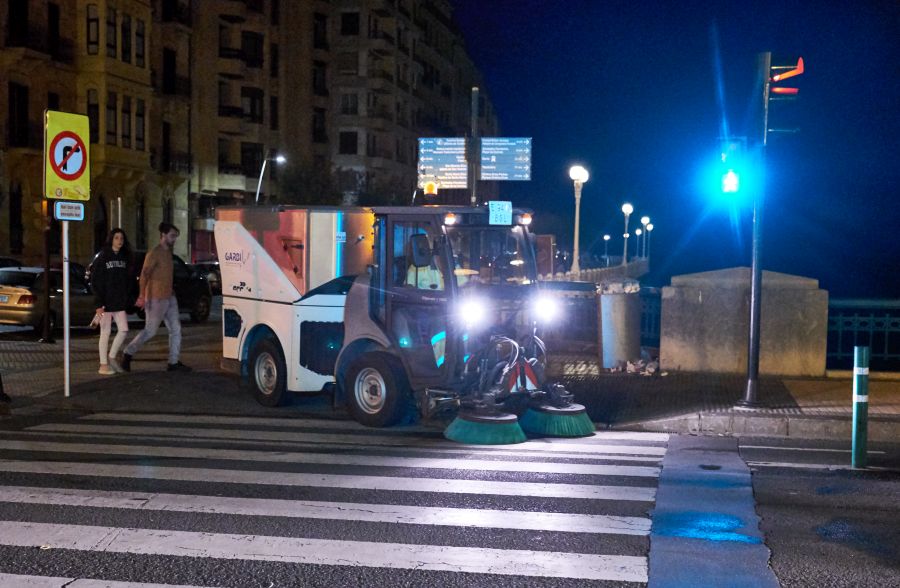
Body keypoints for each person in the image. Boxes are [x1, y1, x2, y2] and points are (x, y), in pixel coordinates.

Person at [121, 222, 191, 373]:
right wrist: (142, 296)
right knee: (150, 331)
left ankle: (173, 362)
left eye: (175, 237)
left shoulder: (168, 253)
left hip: (169, 297)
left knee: (176, 329)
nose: (174, 239)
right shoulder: (154, 253)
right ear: (163, 235)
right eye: (172, 236)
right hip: (156, 299)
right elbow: (144, 276)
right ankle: (128, 353)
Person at [92, 228, 133, 375]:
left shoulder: (124, 258)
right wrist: (98, 304)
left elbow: (127, 280)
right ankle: (103, 365)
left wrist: (127, 297)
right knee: (105, 332)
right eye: (116, 238)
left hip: (119, 302)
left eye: (121, 238)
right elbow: (95, 281)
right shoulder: (103, 257)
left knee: (123, 330)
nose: (119, 241)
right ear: (111, 239)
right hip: (105, 302)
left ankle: (111, 356)